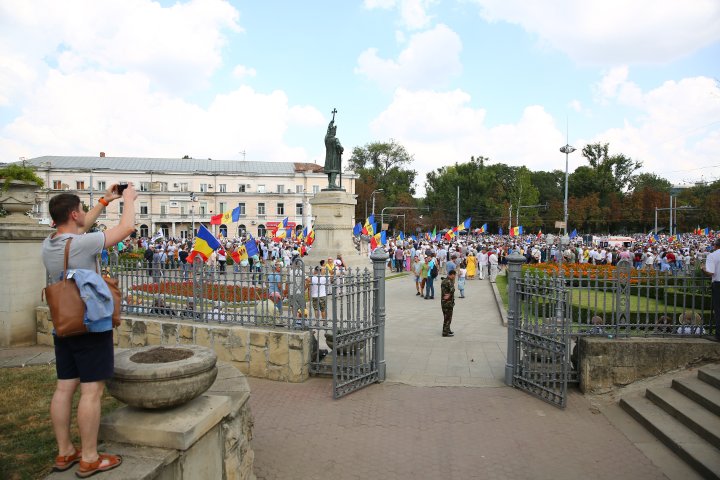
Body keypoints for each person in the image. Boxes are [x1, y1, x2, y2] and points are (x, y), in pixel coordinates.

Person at [42, 183, 136, 476]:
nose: (86, 213)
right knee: (91, 391)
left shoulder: (50, 243)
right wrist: (128, 200)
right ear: (73, 213)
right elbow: (127, 228)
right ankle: (90, 457)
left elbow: (78, 229)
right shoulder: (82, 244)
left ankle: (65, 452)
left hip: (63, 322)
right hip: (89, 322)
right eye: (82, 209)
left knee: (63, 388)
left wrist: (105, 200)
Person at [704, 238, 720, 341]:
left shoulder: (713, 255)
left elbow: (710, 273)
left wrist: (703, 269)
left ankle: (719, 336)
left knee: (718, 310)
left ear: (716, 245)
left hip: (718, 284)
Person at [441, 270, 457, 336]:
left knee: (447, 317)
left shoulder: (445, 280)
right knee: (448, 318)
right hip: (448, 303)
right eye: (454, 275)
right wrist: (449, 294)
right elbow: (452, 290)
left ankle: (448, 329)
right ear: (452, 275)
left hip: (444, 302)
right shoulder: (449, 281)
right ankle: (445, 332)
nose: (455, 277)